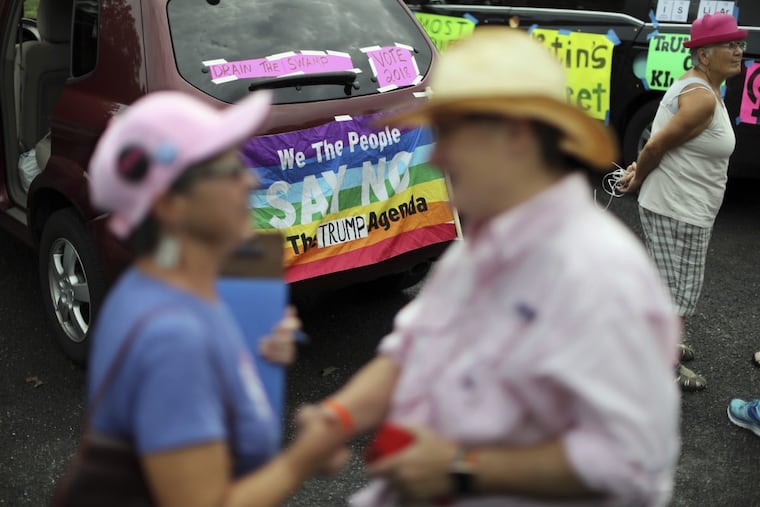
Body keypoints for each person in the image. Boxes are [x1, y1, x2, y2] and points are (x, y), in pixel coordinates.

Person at [300, 27, 681, 507]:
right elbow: (409, 350)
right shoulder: (478, 247)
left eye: (450, 133)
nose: (435, 154)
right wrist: (336, 420)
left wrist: (460, 468)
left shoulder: (600, 275)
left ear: (516, 136)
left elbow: (631, 463)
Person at [79, 90, 345, 507]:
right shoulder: (172, 338)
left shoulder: (169, 289)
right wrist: (304, 457)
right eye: (228, 168)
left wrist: (249, 355)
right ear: (170, 203)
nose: (251, 180)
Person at [617, 12, 749, 391]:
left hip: (675, 205)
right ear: (704, 55)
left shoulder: (699, 86)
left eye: (739, 43)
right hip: (679, 210)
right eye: (730, 44)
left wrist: (636, 168)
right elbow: (657, 143)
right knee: (680, 295)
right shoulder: (701, 100)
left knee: (667, 286)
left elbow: (662, 141)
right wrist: (638, 176)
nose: (739, 50)